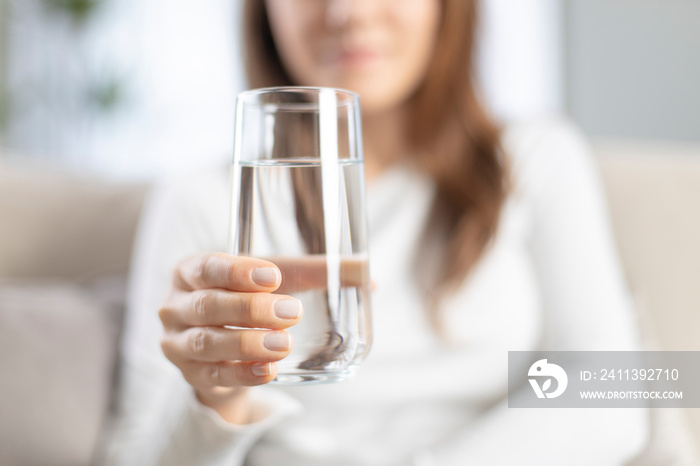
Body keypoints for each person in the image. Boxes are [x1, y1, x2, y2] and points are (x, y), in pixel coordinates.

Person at [103, 0, 648, 464]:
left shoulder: (534, 159)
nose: (350, 12)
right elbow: (134, 454)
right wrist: (213, 400)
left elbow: (616, 394)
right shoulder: (206, 200)